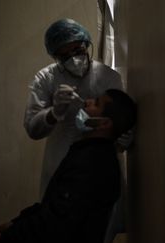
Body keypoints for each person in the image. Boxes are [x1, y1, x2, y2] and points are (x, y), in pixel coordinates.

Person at [0, 89, 137, 243]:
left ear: (104, 124)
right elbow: (53, 207)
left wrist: (6, 238)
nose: (87, 102)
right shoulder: (89, 152)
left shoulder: (93, 165)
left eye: (96, 103)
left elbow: (55, 224)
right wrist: (15, 222)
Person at [23, 19, 124, 197]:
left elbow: (124, 123)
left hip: (100, 162)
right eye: (65, 56)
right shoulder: (46, 79)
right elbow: (33, 128)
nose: (74, 59)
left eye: (78, 50)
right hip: (60, 160)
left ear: (86, 44)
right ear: (55, 56)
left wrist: (114, 142)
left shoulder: (108, 77)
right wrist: (53, 113)